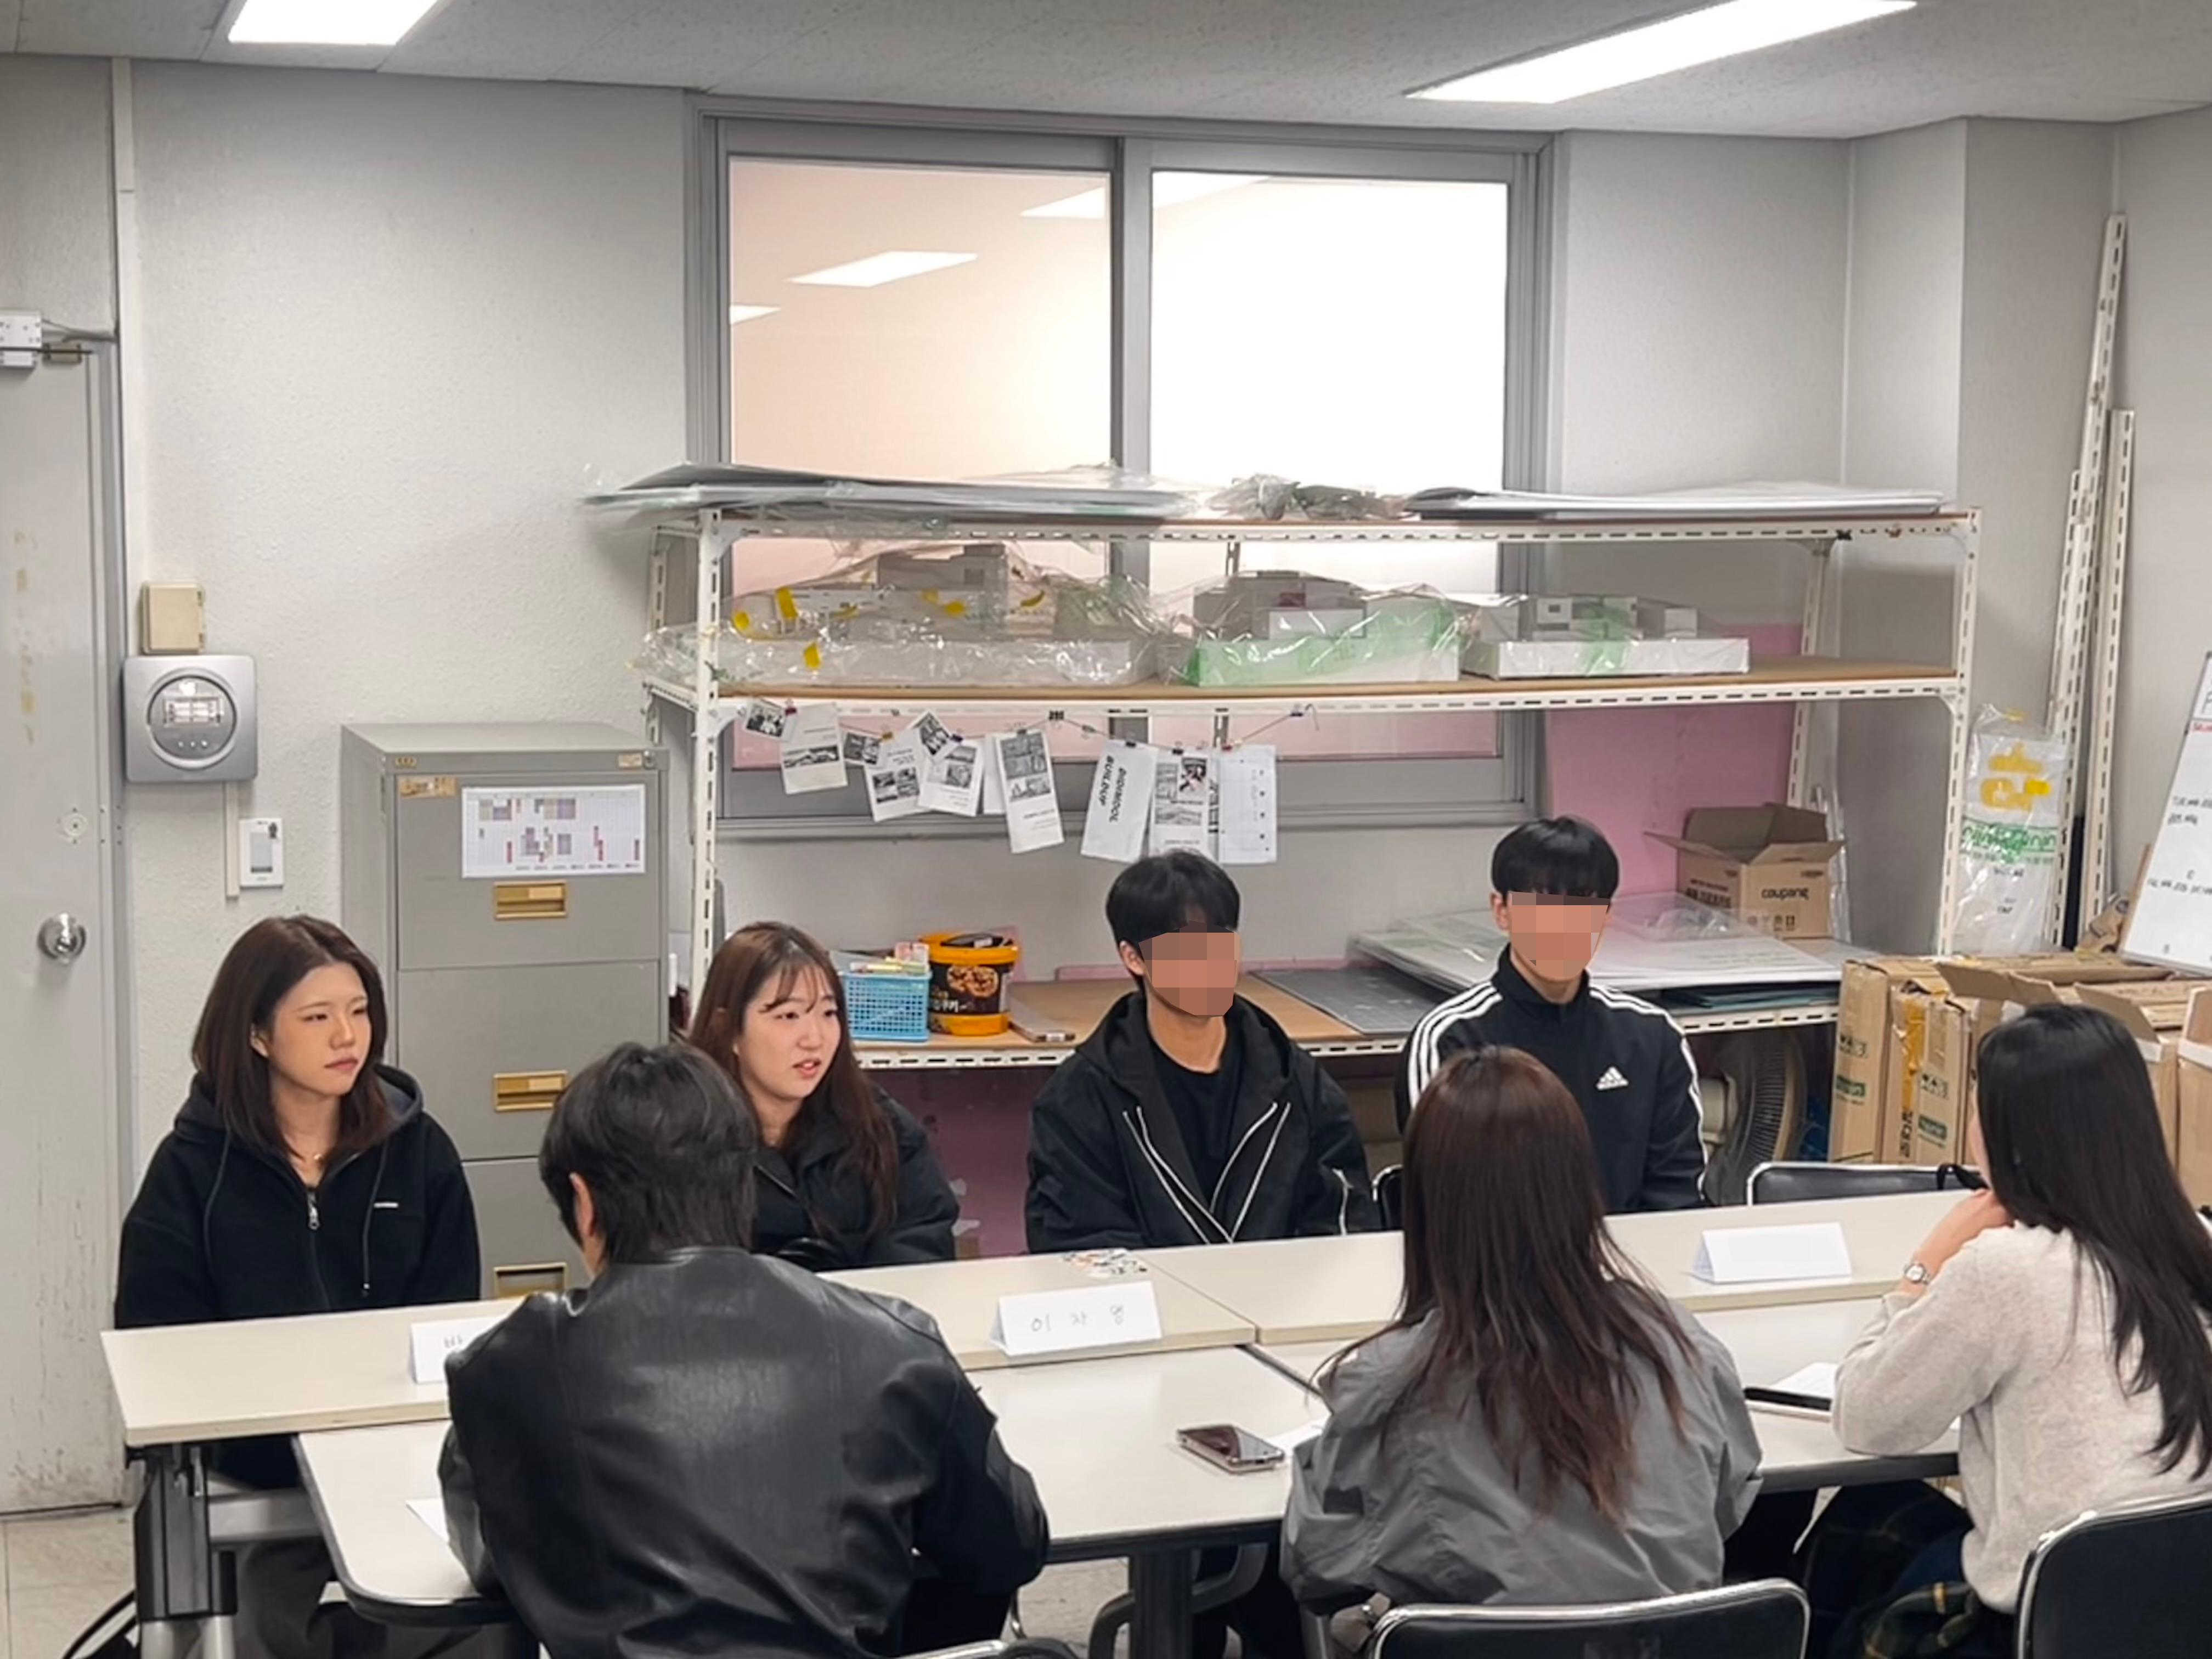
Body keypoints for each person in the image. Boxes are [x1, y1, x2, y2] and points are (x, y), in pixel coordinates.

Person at [439, 1042, 1048, 1659]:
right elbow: (1011, 1546)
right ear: (745, 1184)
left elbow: (488, 1559)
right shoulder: (894, 1343)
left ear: (584, 1203)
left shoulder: (511, 1365)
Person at [1284, 1047, 1761, 1651]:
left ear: (1428, 1206)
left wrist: (1314, 1456)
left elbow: (1319, 1562)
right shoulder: (1679, 1345)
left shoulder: (1395, 1383)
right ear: (1581, 1187)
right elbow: (1730, 1499)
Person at [115, 915, 481, 1659]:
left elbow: (449, 1320)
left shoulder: (419, 1153)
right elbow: (155, 1341)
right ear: (257, 1035)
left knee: (474, 1607)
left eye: (359, 1012)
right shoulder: (192, 1169)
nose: (348, 1037)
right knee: (249, 1630)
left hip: (394, 1462)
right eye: (317, 1018)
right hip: (250, 1474)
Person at [1809, 1003, 2212, 1658]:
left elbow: (1867, 1419)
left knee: (1858, 1527)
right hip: (2180, 1617)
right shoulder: (2192, 1244)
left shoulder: (2008, 1270)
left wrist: (1924, 1267)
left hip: (2040, 1624)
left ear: (2013, 1140)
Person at [1026, 849, 1379, 1251]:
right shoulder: (1081, 1097)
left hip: (1283, 1290)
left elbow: (1345, 1220)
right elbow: (1079, 1244)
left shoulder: (1296, 1079)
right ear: (1134, 958)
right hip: (1152, 1291)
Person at [1395, 816, 1704, 1211]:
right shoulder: (1450, 1039)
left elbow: (1676, 1194)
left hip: (1627, 1249)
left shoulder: (1653, 1037)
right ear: (1502, 911)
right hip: (1495, 1251)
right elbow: (1444, 1200)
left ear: (1606, 917)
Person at [687, 921, 959, 1268]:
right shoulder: (680, 1138)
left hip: (860, 1304)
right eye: (789, 1016)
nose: (814, 1039)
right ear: (726, 1028)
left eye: (828, 1013)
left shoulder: (879, 1124)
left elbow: (923, 1238)